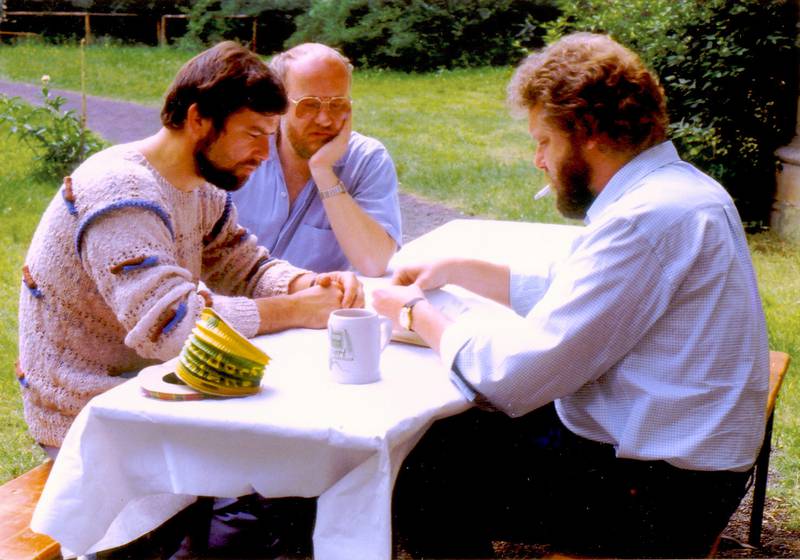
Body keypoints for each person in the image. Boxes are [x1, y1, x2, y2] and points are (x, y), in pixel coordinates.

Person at [373, 32, 769, 558]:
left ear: (586, 133)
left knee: (412, 471)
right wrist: (463, 269)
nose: (538, 159)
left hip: (663, 491)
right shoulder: (679, 189)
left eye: (544, 141)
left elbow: (516, 380)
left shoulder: (646, 218)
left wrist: (415, 312)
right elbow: (590, 291)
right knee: (451, 432)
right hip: (685, 465)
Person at [17, 40, 362, 455]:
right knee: (281, 464)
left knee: (306, 444)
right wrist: (297, 310)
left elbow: (246, 269)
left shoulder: (199, 189)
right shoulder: (118, 191)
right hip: (87, 413)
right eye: (253, 133)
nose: (263, 153)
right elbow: (172, 327)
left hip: (153, 392)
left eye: (269, 136)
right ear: (199, 118)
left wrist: (306, 284)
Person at [231, 43, 402, 277]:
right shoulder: (241, 151)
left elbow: (374, 263)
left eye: (337, 105)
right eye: (309, 105)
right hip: (226, 308)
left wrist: (323, 172)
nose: (325, 120)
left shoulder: (366, 160)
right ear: (278, 103)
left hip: (308, 308)